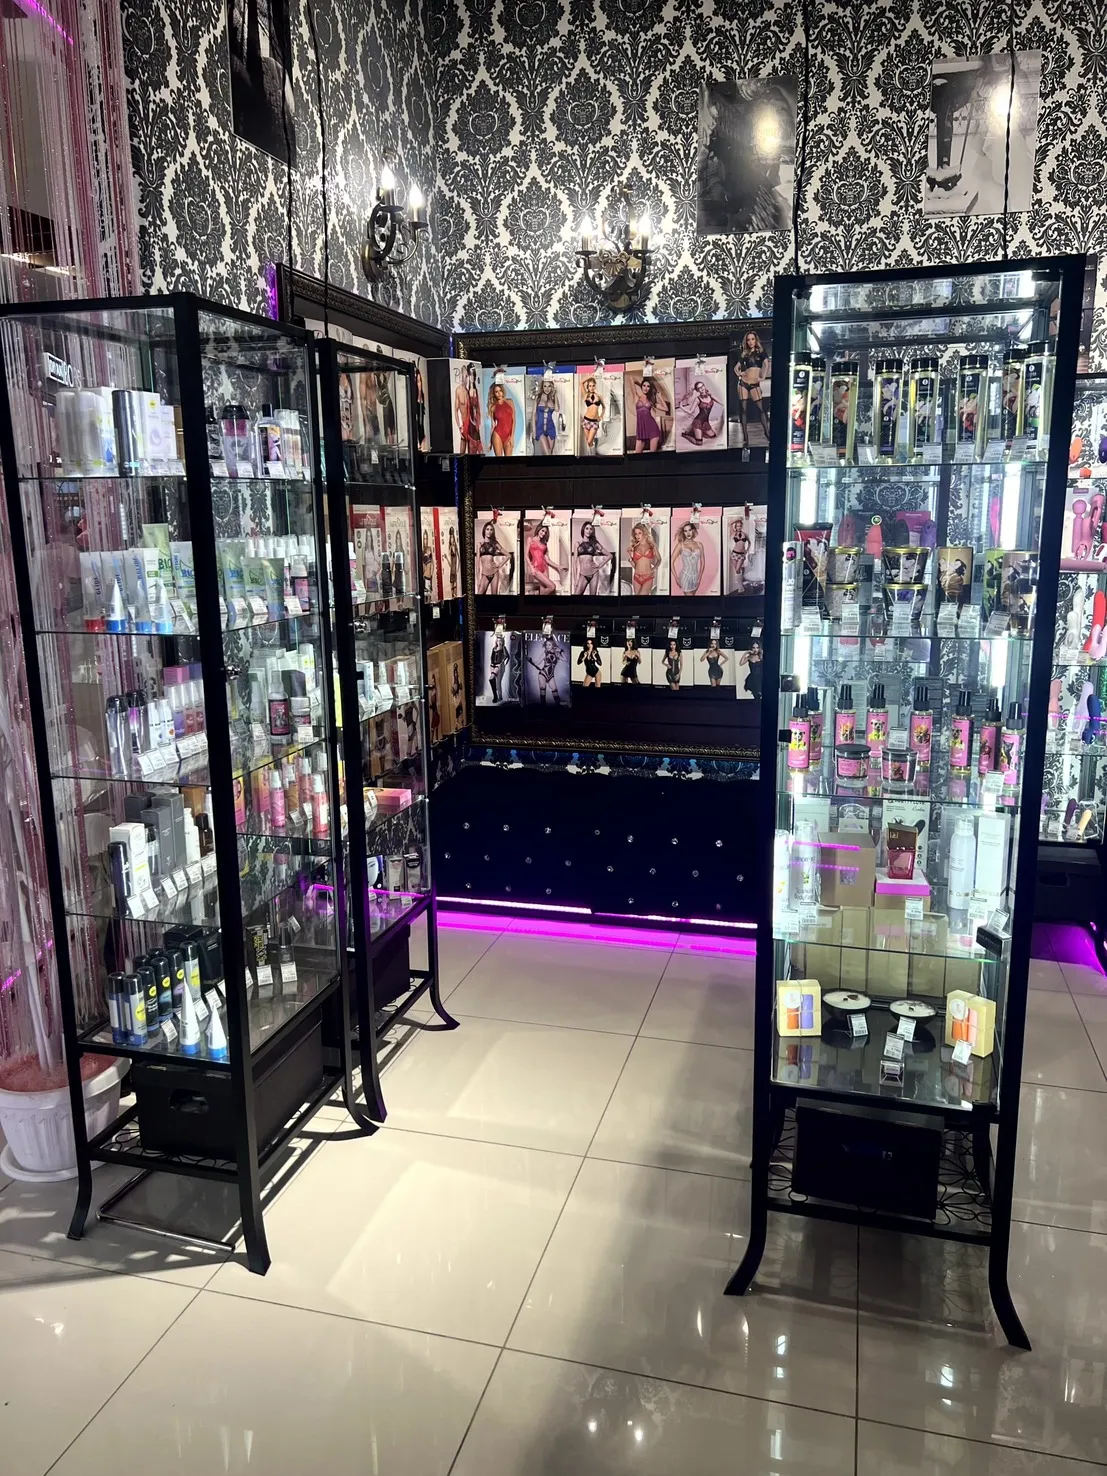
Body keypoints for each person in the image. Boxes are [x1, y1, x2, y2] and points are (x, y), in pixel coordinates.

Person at [735, 331, 770, 445]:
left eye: (752, 339)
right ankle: (745, 437)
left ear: (756, 340)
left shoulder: (761, 351)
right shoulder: (744, 353)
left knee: (761, 409)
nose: (750, 342)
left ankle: (767, 432)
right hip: (743, 384)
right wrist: (740, 374)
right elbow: (736, 368)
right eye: (748, 340)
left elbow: (766, 364)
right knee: (744, 410)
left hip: (754, 383)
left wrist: (763, 376)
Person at [632, 374, 670, 452]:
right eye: (644, 386)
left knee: (652, 454)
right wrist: (640, 384)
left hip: (653, 429)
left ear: (650, 388)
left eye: (648, 386)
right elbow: (632, 379)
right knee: (637, 454)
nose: (646, 388)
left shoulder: (651, 401)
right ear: (641, 386)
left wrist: (660, 397)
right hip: (641, 430)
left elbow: (666, 409)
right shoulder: (636, 397)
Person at [573, 520, 613, 595]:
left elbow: (610, 555)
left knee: (593, 598)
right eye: (587, 528)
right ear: (583, 529)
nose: (589, 531)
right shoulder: (577, 544)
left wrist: (600, 565)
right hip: (583, 574)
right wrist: (576, 579)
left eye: (591, 529)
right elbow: (575, 563)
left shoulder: (594, 543)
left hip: (594, 573)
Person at [526, 521, 565, 596]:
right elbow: (526, 555)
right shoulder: (530, 539)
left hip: (544, 569)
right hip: (535, 568)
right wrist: (531, 568)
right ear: (538, 529)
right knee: (552, 587)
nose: (543, 533)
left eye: (545, 532)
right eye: (542, 531)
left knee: (544, 589)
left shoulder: (544, 544)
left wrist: (558, 566)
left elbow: (547, 560)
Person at [679, 377, 721, 445]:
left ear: (704, 386)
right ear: (697, 391)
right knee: (699, 443)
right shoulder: (697, 399)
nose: (702, 388)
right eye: (699, 388)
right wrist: (681, 407)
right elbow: (690, 411)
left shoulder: (710, 396)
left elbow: (722, 403)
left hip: (706, 422)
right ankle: (686, 435)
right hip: (697, 422)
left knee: (713, 436)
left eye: (702, 386)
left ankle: (698, 432)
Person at [672, 520, 706, 595]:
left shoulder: (699, 544)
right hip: (685, 576)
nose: (688, 533)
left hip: (696, 576)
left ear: (693, 531)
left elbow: (703, 563)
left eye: (689, 530)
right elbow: (671, 562)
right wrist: (676, 578)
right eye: (685, 531)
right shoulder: (680, 545)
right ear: (683, 533)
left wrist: (699, 578)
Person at [626, 521, 661, 594]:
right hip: (637, 576)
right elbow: (635, 566)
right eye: (635, 534)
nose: (637, 536)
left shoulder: (652, 546)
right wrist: (630, 556)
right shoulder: (634, 547)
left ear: (644, 533)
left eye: (639, 533)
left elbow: (659, 559)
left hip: (648, 576)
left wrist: (654, 568)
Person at [477, 520, 510, 595]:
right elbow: (477, 563)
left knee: (494, 598)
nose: (489, 531)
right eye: (487, 529)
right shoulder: (479, 545)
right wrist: (478, 579)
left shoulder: (495, 544)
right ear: (484, 530)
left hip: (494, 573)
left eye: (491, 530)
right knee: (479, 595)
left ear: (493, 532)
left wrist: (499, 565)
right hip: (484, 574)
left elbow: (508, 555)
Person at [455, 363, 483, 453]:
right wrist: (459, 426)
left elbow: (476, 409)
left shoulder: (471, 391)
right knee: (462, 451)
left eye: (466, 376)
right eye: (464, 376)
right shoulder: (458, 391)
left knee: (474, 449)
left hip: (471, 425)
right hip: (463, 425)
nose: (465, 378)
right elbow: (455, 411)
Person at [528, 636, 563, 704]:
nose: (547, 646)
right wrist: (530, 660)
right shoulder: (545, 653)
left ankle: (559, 707)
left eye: (549, 645)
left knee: (555, 693)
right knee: (543, 694)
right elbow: (537, 663)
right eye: (546, 645)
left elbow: (565, 659)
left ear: (553, 645)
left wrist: (561, 651)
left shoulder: (557, 654)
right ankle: (543, 708)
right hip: (542, 675)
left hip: (551, 676)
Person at [488, 381, 516, 456]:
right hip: (497, 435)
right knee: (499, 460)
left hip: (508, 436)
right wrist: (490, 442)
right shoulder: (493, 407)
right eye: (496, 392)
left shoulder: (510, 402)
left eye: (500, 390)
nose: (499, 393)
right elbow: (493, 425)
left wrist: (512, 437)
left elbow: (513, 420)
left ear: (503, 390)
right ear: (494, 394)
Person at [533, 377, 559, 454]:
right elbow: (533, 414)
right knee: (547, 453)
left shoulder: (552, 399)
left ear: (552, 387)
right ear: (542, 387)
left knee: (550, 453)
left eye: (549, 386)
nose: (547, 389)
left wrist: (556, 395)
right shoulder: (538, 398)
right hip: (540, 429)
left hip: (551, 428)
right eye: (545, 386)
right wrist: (534, 431)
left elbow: (557, 409)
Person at [580, 374, 605, 453]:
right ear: (588, 387)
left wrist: (601, 416)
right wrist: (590, 376)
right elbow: (581, 383)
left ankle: (593, 446)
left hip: (594, 422)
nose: (591, 387)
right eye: (590, 386)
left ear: (595, 386)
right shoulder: (585, 395)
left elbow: (604, 407)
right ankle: (592, 454)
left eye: (593, 386)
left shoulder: (599, 396)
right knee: (589, 441)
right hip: (586, 420)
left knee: (589, 441)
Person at [729, 516, 750, 593]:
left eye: (740, 526)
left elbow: (749, 542)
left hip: (741, 555)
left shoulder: (745, 534)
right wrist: (737, 519)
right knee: (737, 571)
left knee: (738, 570)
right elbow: (730, 524)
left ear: (742, 526)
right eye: (737, 526)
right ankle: (740, 586)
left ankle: (740, 586)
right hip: (734, 554)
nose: (739, 527)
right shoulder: (734, 533)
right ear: (736, 527)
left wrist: (747, 550)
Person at [488, 631, 510, 703]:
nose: (499, 642)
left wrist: (503, 663)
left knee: (497, 681)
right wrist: (491, 664)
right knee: (493, 680)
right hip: (492, 665)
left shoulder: (503, 648)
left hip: (499, 666)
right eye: (497, 641)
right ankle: (496, 696)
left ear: (502, 641)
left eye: (500, 641)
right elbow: (491, 657)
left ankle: (498, 697)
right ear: (496, 641)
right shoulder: (494, 648)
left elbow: (508, 657)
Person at [447, 524, 460, 598]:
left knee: (455, 584)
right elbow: (450, 559)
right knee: (452, 583)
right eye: (450, 538)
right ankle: (452, 596)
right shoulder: (450, 548)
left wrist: (458, 568)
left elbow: (458, 557)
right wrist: (450, 548)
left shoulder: (456, 547)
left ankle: (455, 596)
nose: (452, 539)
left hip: (455, 568)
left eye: (452, 537)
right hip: (452, 568)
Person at [421, 526, 434, 600]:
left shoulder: (429, 556)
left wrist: (431, 573)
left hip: (429, 576)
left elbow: (432, 565)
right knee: (426, 590)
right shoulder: (423, 554)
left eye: (426, 539)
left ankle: (429, 599)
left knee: (429, 589)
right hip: (425, 576)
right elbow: (424, 566)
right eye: (424, 539)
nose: (425, 541)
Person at [451, 662, 464, 729]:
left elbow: (461, 687)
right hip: (455, 696)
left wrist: (460, 685)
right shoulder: (453, 679)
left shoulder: (458, 678)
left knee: (461, 708)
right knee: (457, 709)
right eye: (455, 672)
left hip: (459, 695)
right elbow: (452, 689)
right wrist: (454, 691)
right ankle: (457, 723)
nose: (456, 673)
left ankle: (461, 722)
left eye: (456, 672)